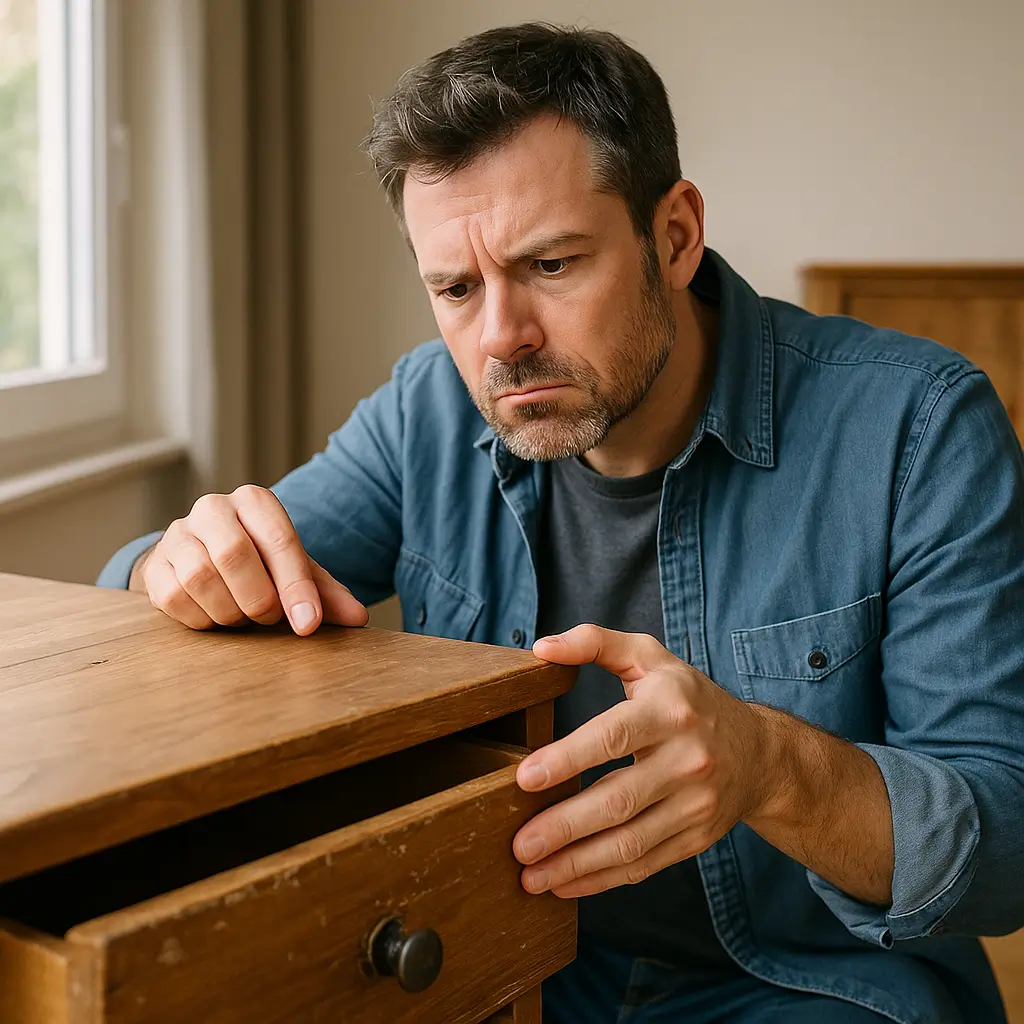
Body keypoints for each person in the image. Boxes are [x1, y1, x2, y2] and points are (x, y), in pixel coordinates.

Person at [97, 23, 1024, 1024]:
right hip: (511, 960)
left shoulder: (917, 425)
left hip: (813, 984)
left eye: (549, 265)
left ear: (672, 236)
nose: (500, 339)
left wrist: (767, 764)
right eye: (454, 289)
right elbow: (197, 586)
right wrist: (172, 564)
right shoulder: (427, 412)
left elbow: (1005, 846)